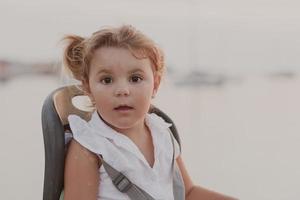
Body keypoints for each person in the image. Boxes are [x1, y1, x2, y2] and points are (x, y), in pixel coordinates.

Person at [62, 25, 236, 200]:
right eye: (107, 80)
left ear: (156, 84)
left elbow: (188, 193)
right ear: (88, 88)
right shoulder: (89, 148)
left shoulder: (161, 133)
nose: (122, 90)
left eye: (135, 79)